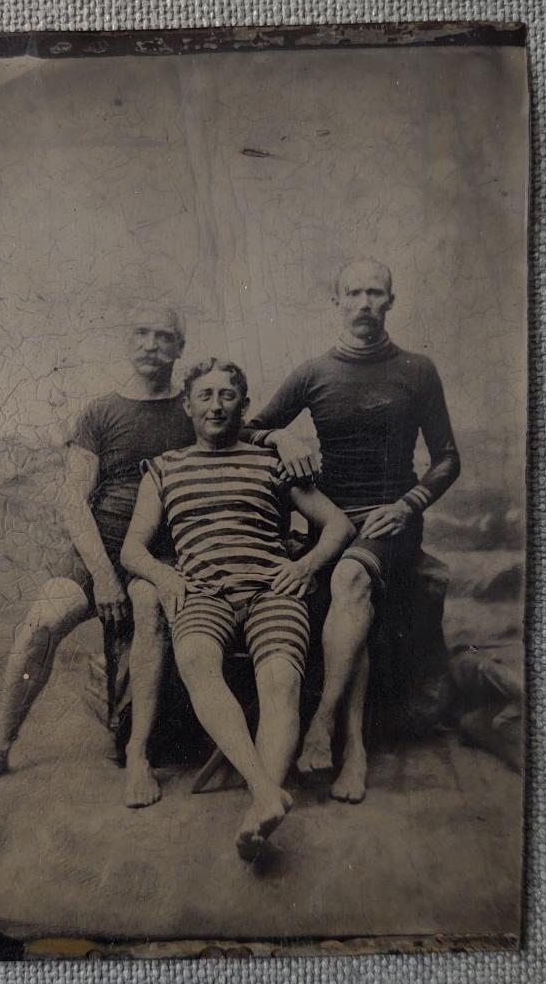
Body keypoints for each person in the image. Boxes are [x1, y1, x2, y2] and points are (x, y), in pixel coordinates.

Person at [0, 308, 195, 805]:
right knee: (42, 621)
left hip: (158, 556)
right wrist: (102, 577)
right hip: (98, 552)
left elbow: (237, 437)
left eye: (164, 336)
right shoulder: (100, 412)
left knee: (147, 619)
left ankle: (138, 757)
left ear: (179, 348)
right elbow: (72, 499)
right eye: (141, 331)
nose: (151, 344)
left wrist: (277, 435)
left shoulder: (194, 408)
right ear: (128, 341)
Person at [242, 259, 461, 802]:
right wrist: (282, 441)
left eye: (376, 293)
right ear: (335, 300)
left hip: (391, 518)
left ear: (391, 301)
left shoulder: (417, 369)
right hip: (333, 519)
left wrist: (409, 504)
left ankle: (323, 725)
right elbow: (252, 428)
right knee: (349, 596)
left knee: (349, 582)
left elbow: (448, 458)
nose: (365, 302)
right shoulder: (314, 372)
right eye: (354, 292)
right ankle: (355, 750)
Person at [120, 358, 355, 859]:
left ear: (244, 406)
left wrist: (307, 565)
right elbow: (132, 549)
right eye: (204, 395)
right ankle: (265, 792)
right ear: (187, 406)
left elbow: (338, 524)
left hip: (273, 590)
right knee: (197, 662)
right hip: (202, 591)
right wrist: (165, 576)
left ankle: (260, 810)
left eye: (227, 395)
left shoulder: (273, 463)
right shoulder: (165, 469)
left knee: (280, 682)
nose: (216, 404)